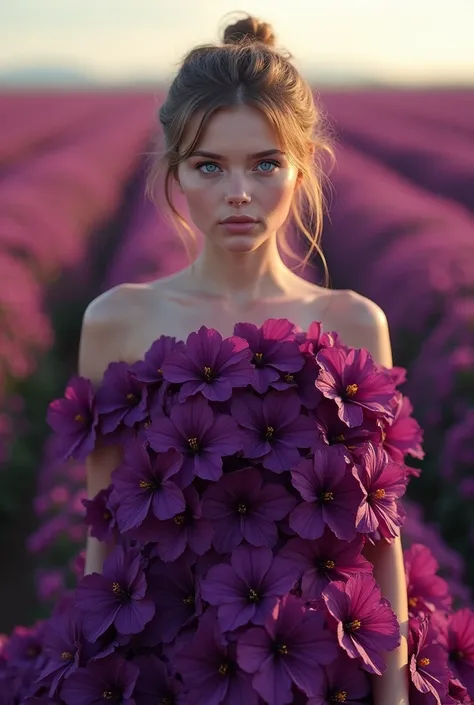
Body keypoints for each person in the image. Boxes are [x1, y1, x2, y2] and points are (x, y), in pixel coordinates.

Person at [78, 14, 409, 705]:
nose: (238, 193)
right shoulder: (115, 322)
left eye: (265, 164)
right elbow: (104, 535)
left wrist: (395, 694)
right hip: (165, 670)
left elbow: (381, 538)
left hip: (320, 670)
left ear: (302, 164)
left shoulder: (354, 322)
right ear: (172, 167)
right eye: (209, 165)